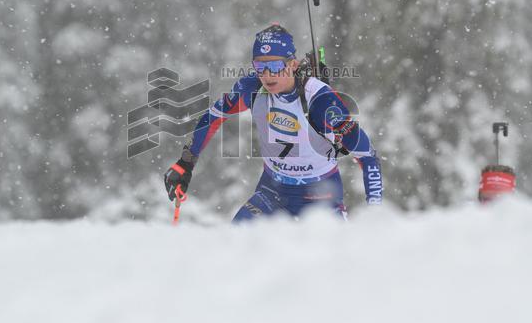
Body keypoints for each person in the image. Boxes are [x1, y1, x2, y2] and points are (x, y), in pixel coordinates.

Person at [163, 24, 383, 221]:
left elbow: (367, 155)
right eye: (260, 67)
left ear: (293, 64)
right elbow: (213, 117)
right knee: (235, 246)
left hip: (321, 195)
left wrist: (374, 210)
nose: (267, 75)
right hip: (273, 191)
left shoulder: (320, 101)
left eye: (276, 66)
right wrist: (186, 163)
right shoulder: (252, 89)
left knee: (332, 263)